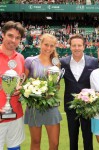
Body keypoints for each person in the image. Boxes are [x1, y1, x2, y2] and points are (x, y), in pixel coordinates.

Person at [60, 34, 99, 150]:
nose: (76, 48)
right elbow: (56, 80)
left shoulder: (93, 61)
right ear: (70, 46)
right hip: (70, 105)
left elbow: (97, 81)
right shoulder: (63, 62)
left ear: (84, 46)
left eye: (79, 45)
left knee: (88, 137)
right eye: (74, 45)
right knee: (73, 137)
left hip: (88, 105)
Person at [24, 33, 62, 150]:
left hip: (51, 106)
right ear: (40, 44)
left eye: (51, 46)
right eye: (46, 45)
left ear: (54, 47)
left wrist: (54, 89)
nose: (48, 48)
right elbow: (23, 82)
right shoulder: (30, 61)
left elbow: (57, 85)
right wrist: (32, 89)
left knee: (54, 144)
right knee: (35, 142)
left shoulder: (56, 63)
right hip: (34, 107)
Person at [0, 21, 25, 150]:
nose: (13, 40)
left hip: (16, 113)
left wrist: (21, 89)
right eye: (10, 36)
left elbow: (21, 82)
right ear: (2, 34)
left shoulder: (20, 58)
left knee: (15, 148)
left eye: (17, 38)